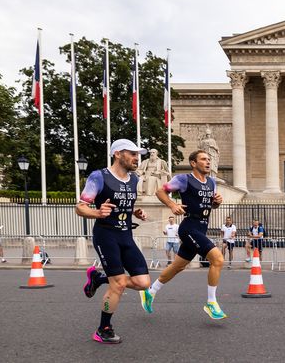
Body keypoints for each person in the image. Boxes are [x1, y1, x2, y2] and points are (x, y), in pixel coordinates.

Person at [75, 139, 152, 344]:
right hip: (106, 234)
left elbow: (125, 206)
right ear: (117, 154)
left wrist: (136, 212)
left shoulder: (134, 180)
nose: (137, 158)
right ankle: (103, 328)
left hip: (126, 235)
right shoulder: (99, 177)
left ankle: (98, 279)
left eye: (138, 154)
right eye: (132, 154)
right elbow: (80, 207)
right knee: (118, 284)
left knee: (143, 283)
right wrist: (97, 212)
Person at [148, 150, 227, 320]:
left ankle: (151, 292)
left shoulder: (212, 182)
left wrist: (216, 203)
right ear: (193, 163)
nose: (208, 162)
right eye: (204, 159)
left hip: (202, 227)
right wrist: (172, 204)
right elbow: (160, 192)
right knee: (218, 259)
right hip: (189, 227)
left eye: (209, 159)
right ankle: (211, 303)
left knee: (178, 266)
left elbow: (208, 206)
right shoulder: (184, 179)